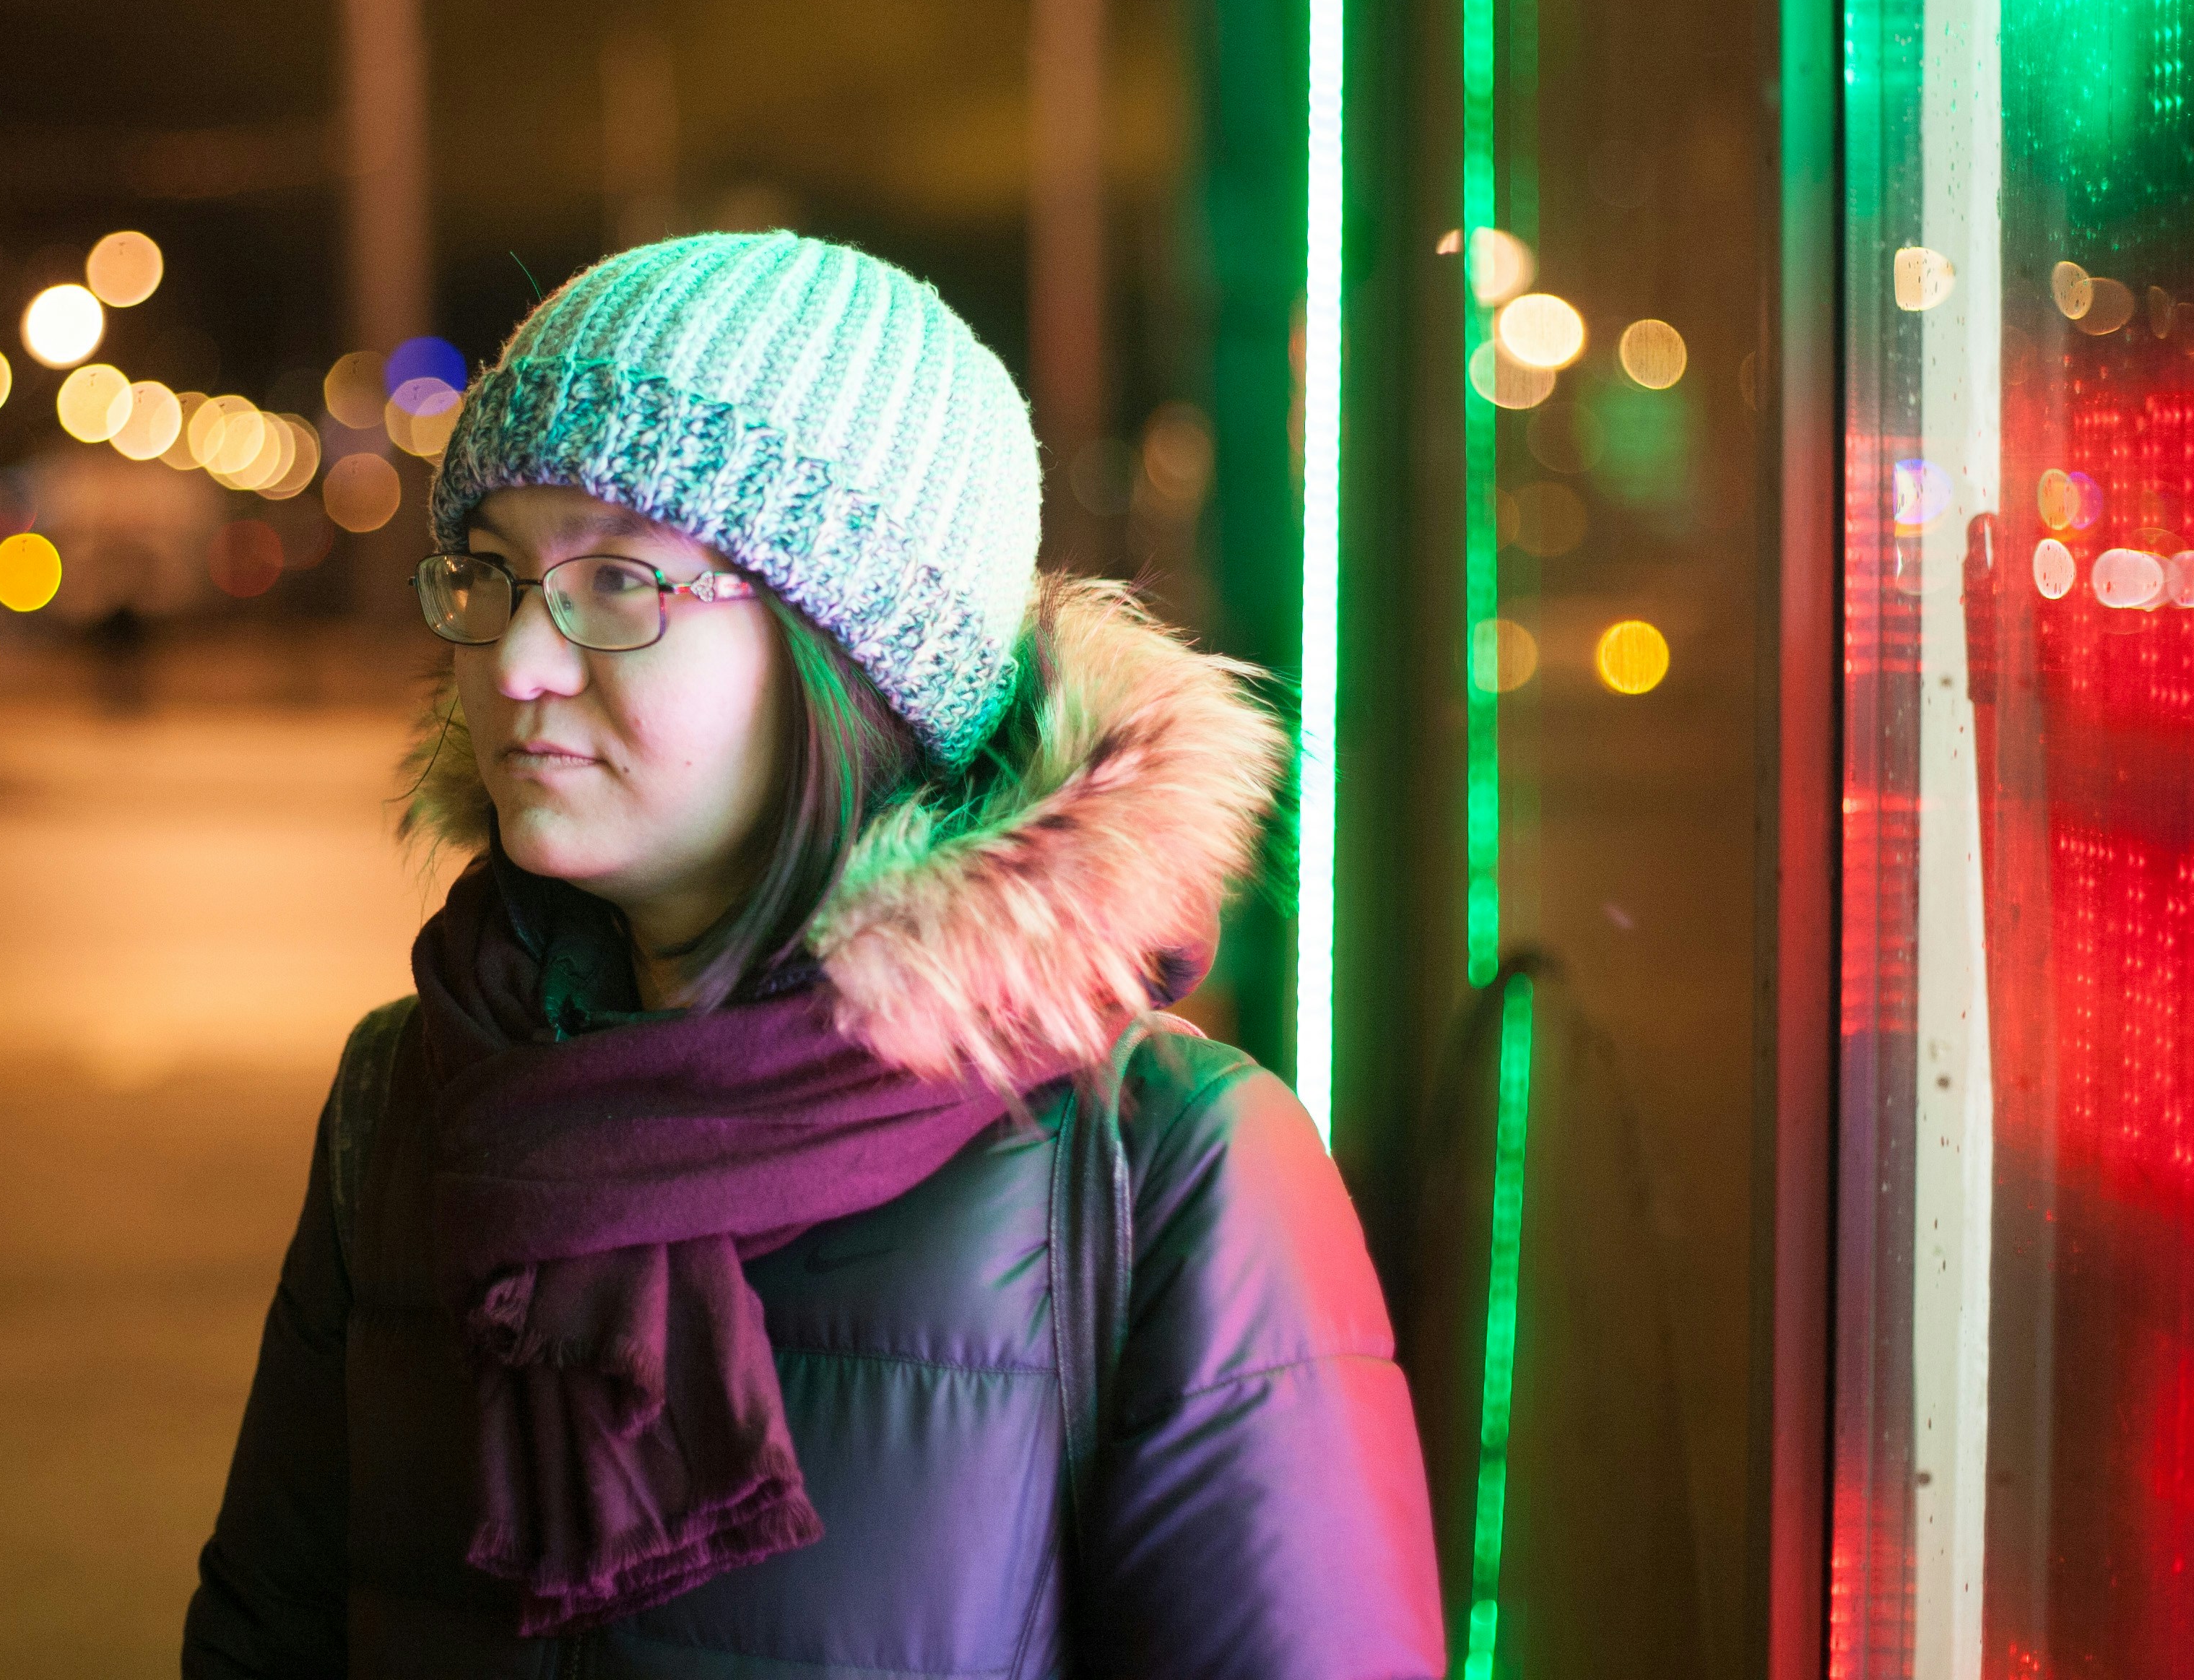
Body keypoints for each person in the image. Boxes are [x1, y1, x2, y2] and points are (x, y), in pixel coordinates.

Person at [184, 233, 1444, 1677]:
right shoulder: (405, 1099)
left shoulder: (1167, 1173)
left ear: (851, 645)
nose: (517, 664)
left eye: (615, 582)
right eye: (488, 574)